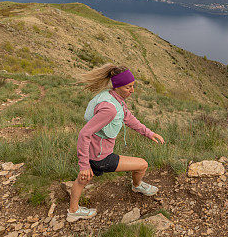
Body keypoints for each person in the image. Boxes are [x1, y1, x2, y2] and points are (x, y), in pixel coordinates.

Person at [66, 64, 165, 220]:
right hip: (101, 157)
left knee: (83, 179)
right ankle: (137, 186)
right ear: (118, 86)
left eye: (133, 86)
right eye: (128, 87)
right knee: (142, 164)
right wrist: (84, 165)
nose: (132, 90)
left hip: (92, 152)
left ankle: (73, 211)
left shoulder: (111, 97)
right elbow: (84, 134)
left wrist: (149, 133)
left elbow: (128, 118)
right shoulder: (110, 109)